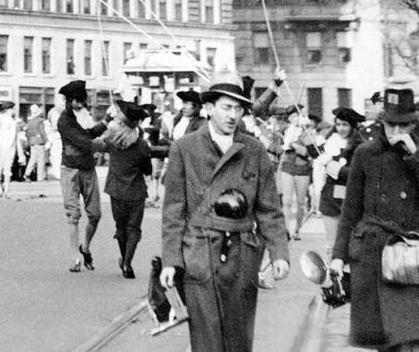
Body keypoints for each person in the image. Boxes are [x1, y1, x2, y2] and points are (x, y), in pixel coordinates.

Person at [160, 77, 289, 352]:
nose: (233, 115)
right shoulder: (184, 149)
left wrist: (279, 253)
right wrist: (170, 261)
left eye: (238, 109)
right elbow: (173, 213)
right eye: (226, 107)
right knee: (206, 340)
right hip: (200, 252)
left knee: (239, 339)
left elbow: (269, 209)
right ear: (208, 108)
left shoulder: (254, 150)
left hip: (241, 255)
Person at [330, 87, 419, 352]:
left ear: (414, 123)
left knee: (411, 341)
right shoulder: (365, 154)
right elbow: (351, 210)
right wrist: (339, 256)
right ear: (382, 122)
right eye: (391, 124)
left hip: (410, 255)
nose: (396, 131)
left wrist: (415, 156)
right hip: (373, 255)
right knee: (384, 342)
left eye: (404, 125)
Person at [57, 79, 106, 271]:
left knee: (95, 214)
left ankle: (85, 246)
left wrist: (106, 122)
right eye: (76, 100)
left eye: (81, 100)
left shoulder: (84, 114)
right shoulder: (64, 120)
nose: (80, 104)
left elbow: (91, 132)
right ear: (70, 101)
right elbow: (82, 140)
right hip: (70, 169)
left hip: (87, 168)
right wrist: (104, 145)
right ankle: (75, 257)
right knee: (73, 214)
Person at [104, 97, 155, 278]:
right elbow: (148, 169)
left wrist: (109, 121)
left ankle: (124, 256)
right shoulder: (141, 145)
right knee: (134, 229)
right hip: (136, 192)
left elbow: (99, 140)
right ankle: (127, 263)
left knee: (121, 228)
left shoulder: (112, 140)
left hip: (116, 191)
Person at [318, 107, 362, 252]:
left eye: (345, 125)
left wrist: (336, 168)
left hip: (351, 200)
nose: (341, 128)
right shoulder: (330, 142)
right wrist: (298, 128)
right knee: (331, 244)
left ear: (353, 126)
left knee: (350, 245)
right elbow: (312, 151)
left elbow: (359, 173)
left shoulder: (360, 146)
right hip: (330, 200)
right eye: (338, 124)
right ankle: (332, 274)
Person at [278, 108, 321, 239]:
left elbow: (311, 152)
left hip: (302, 170)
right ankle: (285, 229)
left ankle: (296, 229)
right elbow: (280, 147)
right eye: (292, 117)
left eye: (297, 116)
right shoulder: (286, 132)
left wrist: (296, 146)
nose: (295, 119)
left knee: (301, 203)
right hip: (287, 168)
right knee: (286, 201)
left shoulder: (307, 133)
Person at [0, 102, 19, 199]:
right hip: (1, 147)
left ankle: (5, 189)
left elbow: (13, 136)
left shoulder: (12, 121)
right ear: (8, 110)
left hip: (7, 147)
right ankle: (1, 187)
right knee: (0, 170)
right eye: (12, 109)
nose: (13, 111)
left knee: (5, 169)